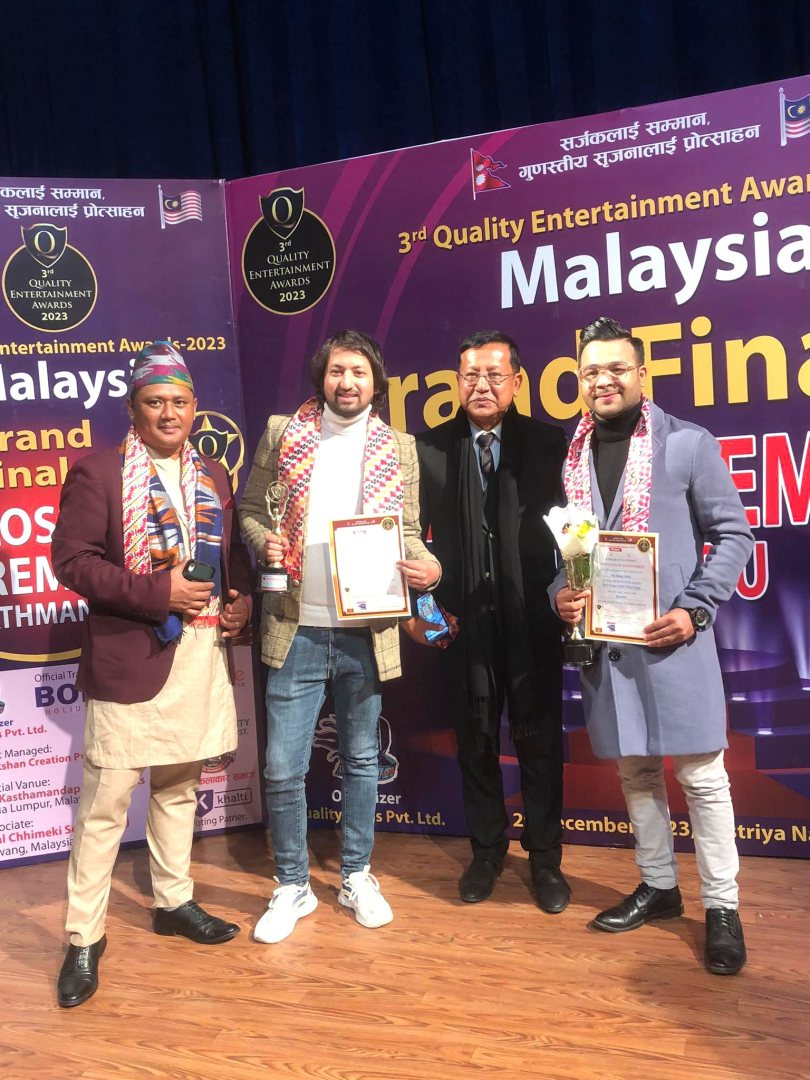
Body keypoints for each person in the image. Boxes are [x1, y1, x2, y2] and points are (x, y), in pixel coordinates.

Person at [51, 342, 252, 1008]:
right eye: (155, 402)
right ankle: (84, 938)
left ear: (194, 408)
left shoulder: (212, 473)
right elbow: (73, 562)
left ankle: (173, 901)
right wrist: (157, 593)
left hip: (198, 654)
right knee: (105, 807)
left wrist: (239, 600)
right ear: (133, 409)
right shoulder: (99, 473)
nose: (169, 413)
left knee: (178, 787)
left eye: (180, 402)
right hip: (131, 657)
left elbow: (224, 556)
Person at [552, 316, 754, 975]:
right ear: (580, 381)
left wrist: (695, 609)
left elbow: (734, 536)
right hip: (608, 650)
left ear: (642, 375)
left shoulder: (687, 445)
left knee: (703, 778)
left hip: (674, 642)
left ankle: (721, 907)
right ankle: (660, 886)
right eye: (591, 371)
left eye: (617, 368)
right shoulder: (574, 456)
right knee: (636, 773)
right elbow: (571, 550)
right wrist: (561, 593)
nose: (604, 380)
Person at [239, 329, 440, 943]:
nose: (346, 382)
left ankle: (355, 874)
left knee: (360, 761)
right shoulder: (283, 432)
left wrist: (430, 567)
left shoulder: (399, 446)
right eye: (336, 371)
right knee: (281, 767)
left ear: (375, 382)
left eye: (357, 372)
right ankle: (292, 885)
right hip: (295, 625)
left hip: (365, 628)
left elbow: (407, 531)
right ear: (321, 377)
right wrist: (263, 541)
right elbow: (251, 508)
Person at [415, 332, 569, 912]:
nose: (481, 386)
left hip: (534, 622)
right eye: (470, 376)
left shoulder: (550, 444)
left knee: (539, 743)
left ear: (517, 382)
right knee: (475, 741)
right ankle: (485, 853)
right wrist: (426, 616)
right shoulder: (429, 449)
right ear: (457, 382)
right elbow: (405, 544)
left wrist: (569, 596)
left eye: (494, 375)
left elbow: (577, 534)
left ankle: (546, 859)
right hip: (461, 624)